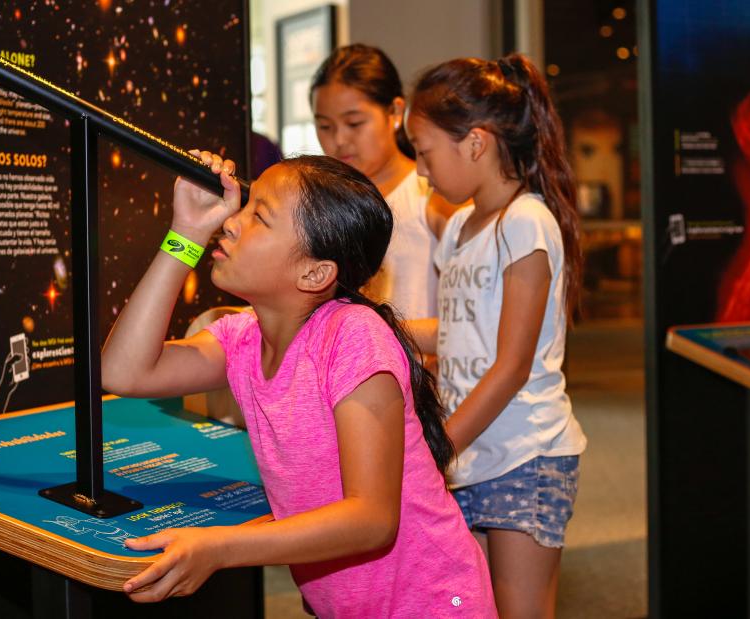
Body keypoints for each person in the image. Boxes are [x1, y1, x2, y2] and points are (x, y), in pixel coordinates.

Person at [101, 151, 496, 617]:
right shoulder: (242, 338)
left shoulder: (352, 335)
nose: (230, 222)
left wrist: (220, 548)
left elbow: (371, 519)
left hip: (434, 604)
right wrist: (184, 234)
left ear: (315, 273)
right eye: (244, 206)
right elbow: (124, 372)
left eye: (259, 217)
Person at [405, 54, 588, 619]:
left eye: (425, 150)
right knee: (474, 607)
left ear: (476, 143)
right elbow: (462, 332)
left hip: (525, 456)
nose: (420, 170)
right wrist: (381, 328)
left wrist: (436, 446)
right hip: (474, 456)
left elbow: (509, 366)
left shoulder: (526, 221)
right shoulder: (461, 226)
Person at [310, 43, 457, 320]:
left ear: (396, 112)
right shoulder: (321, 207)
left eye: (354, 123)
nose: (339, 140)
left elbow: (471, 321)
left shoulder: (432, 193)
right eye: (325, 127)